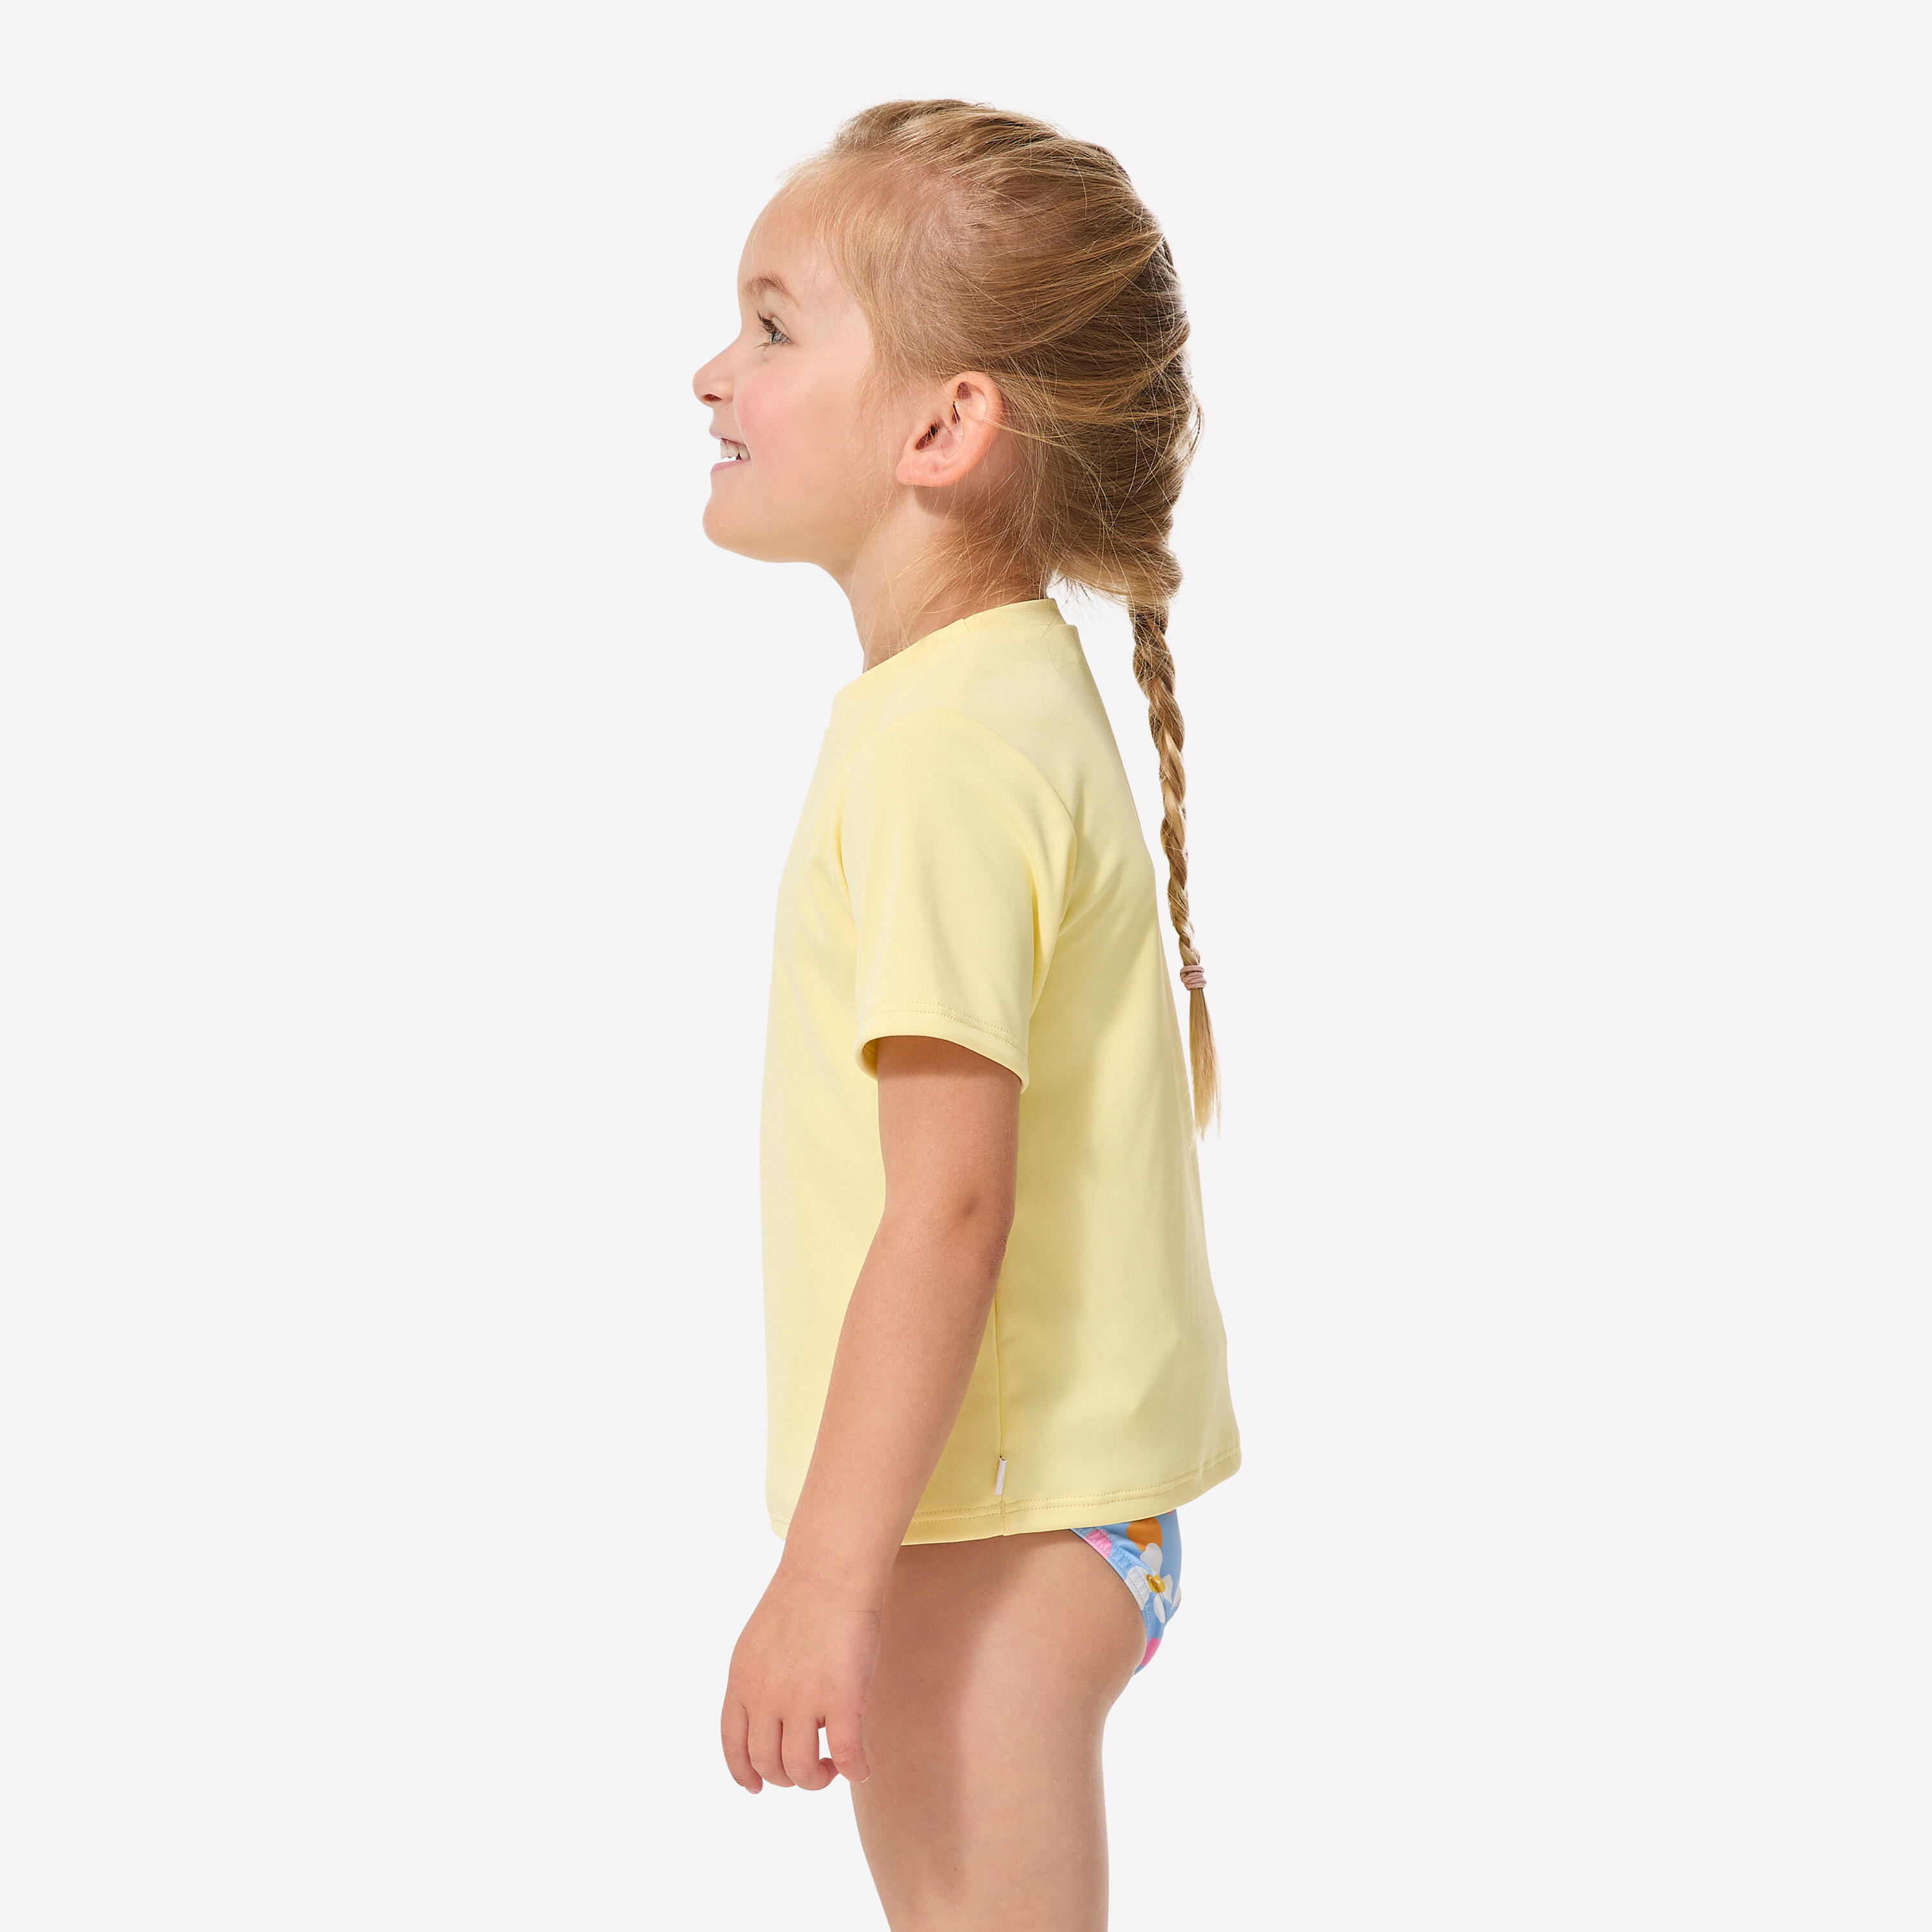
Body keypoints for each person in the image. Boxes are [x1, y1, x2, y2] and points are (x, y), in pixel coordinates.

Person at [692, 100, 1242, 1931]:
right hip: (1019, 1500)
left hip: (1001, 1521)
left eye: (775, 326)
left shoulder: (942, 748)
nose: (715, 371)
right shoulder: (986, 697)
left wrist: (824, 1575)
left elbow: (949, 1204)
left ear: (943, 428)